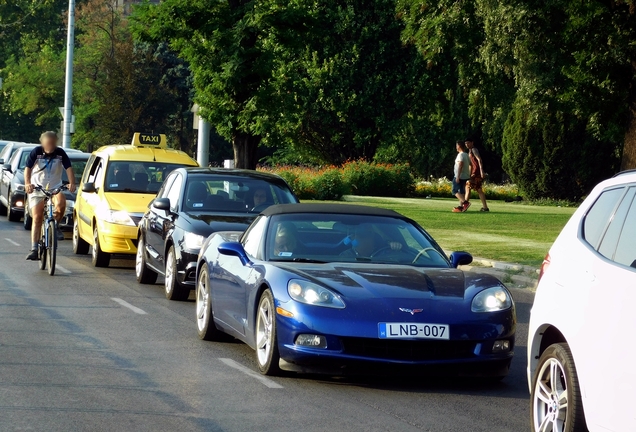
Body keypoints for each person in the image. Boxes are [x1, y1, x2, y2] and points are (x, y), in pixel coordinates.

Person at [24, 132, 76, 260]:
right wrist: (28, 183)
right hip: (38, 188)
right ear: (43, 143)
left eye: (53, 143)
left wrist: (72, 183)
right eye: (48, 143)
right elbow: (28, 168)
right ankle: (34, 248)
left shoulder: (60, 153)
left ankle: (56, 225)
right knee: (37, 217)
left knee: (61, 204)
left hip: (55, 187)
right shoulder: (36, 152)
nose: (50, 146)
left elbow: (68, 168)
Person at [463, 138, 489, 212]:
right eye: (465, 143)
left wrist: (481, 171)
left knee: (470, 187)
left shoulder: (474, 150)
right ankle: (485, 207)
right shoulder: (469, 151)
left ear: (472, 142)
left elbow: (479, 160)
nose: (467, 145)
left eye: (468, 143)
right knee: (477, 189)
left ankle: (464, 206)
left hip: (476, 173)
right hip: (473, 173)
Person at [451, 140, 471, 213]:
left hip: (460, 176)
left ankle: (465, 203)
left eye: (456, 146)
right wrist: (469, 174)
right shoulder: (466, 155)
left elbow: (460, 165)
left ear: (459, 146)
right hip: (465, 176)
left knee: (454, 190)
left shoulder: (460, 155)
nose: (456, 147)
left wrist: (458, 176)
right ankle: (461, 207)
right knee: (462, 192)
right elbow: (470, 165)